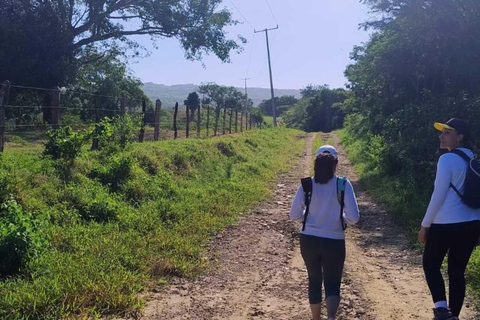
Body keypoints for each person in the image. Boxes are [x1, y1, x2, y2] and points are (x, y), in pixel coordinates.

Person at [419, 118, 480, 320]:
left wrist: (425, 225)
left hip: (445, 223)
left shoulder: (446, 160)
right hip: (471, 224)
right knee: (457, 271)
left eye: (447, 132)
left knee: (430, 264)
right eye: (442, 132)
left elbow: (438, 195)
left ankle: (442, 309)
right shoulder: (473, 159)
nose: (441, 136)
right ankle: (453, 315)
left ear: (460, 137)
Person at [289, 145, 360, 320]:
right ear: (335, 164)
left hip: (309, 241)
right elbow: (354, 218)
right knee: (333, 283)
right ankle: (330, 318)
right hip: (334, 241)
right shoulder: (343, 184)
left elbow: (294, 215)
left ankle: (315, 318)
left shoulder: (307, 184)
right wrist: (340, 218)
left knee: (314, 280)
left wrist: (310, 216)